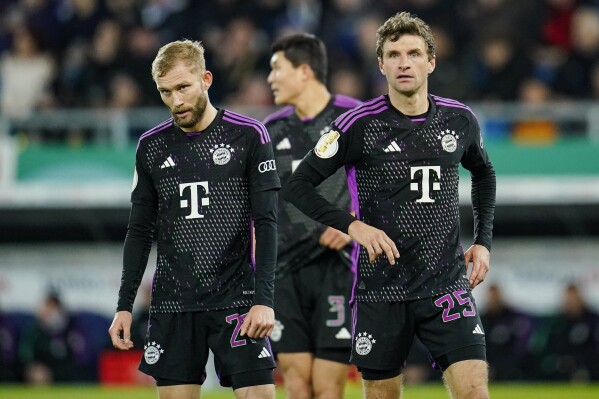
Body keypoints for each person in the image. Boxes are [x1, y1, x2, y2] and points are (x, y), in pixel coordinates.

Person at [284, 12, 496, 399]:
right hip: (380, 289)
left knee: (474, 393)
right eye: (394, 54)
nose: (404, 62)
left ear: (430, 61)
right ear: (380, 64)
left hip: (445, 285)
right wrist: (352, 226)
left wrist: (482, 241)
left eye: (413, 53)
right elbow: (297, 185)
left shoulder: (459, 119)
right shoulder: (355, 125)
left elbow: (483, 174)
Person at [108, 39, 281, 399]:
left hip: (238, 298)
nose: (176, 101)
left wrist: (264, 300)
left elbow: (266, 223)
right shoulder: (151, 146)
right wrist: (124, 305)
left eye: (183, 87)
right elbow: (139, 231)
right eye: (165, 92)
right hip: (174, 301)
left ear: (206, 79)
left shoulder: (248, 135)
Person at [263, 33, 362, 399]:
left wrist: (353, 221)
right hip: (285, 272)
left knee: (327, 386)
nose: (270, 79)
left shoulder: (353, 118)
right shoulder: (271, 131)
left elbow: (384, 181)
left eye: (276, 69)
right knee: (297, 383)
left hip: (337, 268)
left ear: (304, 71)